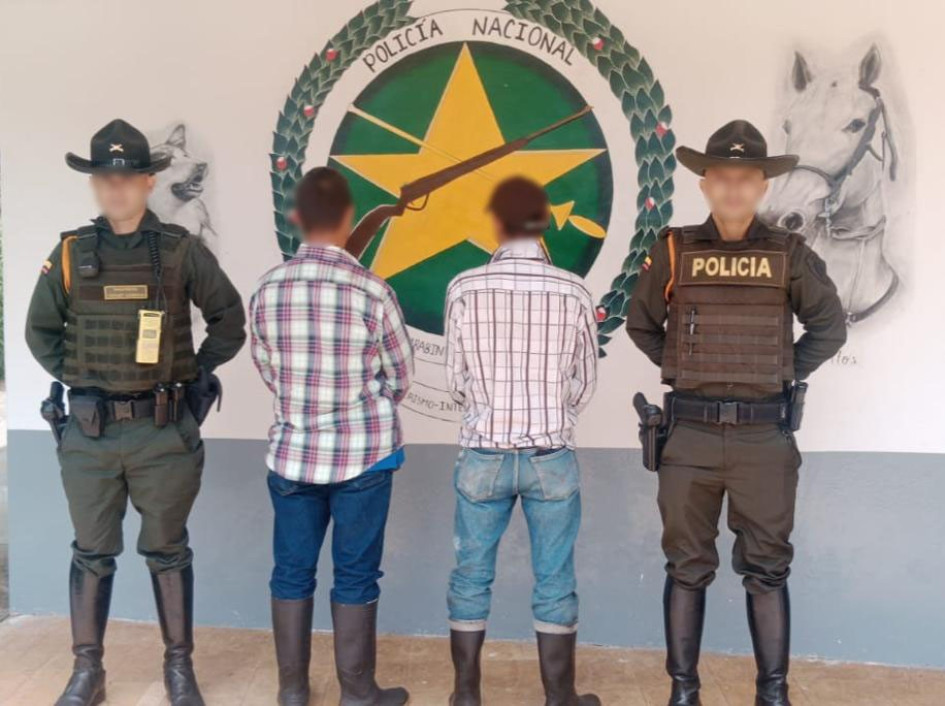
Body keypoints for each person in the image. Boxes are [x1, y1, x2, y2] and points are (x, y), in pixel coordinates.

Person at [25, 118, 247, 706]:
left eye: (127, 176)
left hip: (162, 432)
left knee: (168, 550)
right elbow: (40, 332)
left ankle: (179, 670)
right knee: (91, 552)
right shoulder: (71, 252)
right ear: (95, 184)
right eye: (104, 177)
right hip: (90, 436)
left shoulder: (179, 252)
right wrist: (82, 379)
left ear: (148, 181)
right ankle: (86, 672)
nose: (115, 187)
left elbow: (229, 318)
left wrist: (195, 373)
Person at [626, 120, 847, 706]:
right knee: (685, 567)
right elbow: (642, 325)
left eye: (745, 178)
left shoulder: (789, 252)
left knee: (768, 569)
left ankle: (772, 695)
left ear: (761, 186)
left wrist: (781, 370)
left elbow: (829, 327)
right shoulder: (673, 249)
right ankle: (684, 693)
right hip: (689, 435)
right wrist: (683, 365)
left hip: (762, 440)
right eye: (721, 177)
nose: (732, 188)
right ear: (705, 184)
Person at [249, 167, 414, 706]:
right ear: (348, 218)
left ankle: (292, 691)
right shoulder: (373, 291)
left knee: (291, 573)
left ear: (297, 218)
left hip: (292, 456)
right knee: (357, 576)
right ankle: (357, 691)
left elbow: (268, 370)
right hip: (363, 459)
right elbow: (400, 378)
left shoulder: (267, 289)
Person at [444, 176, 601, 706]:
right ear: (545, 221)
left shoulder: (463, 287)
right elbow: (584, 383)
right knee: (555, 579)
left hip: (483, 452)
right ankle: (560, 698)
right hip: (550, 455)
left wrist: (491, 411)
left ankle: (466, 695)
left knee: (470, 575)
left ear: (496, 221)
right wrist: (553, 413)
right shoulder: (574, 289)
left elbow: (455, 381)